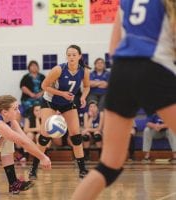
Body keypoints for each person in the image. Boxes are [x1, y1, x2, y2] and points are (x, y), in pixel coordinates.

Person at [72, 1, 176, 199]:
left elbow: (113, 48)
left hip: (121, 73)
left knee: (109, 166)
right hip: (156, 69)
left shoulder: (126, 2)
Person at [28, 44, 90, 180]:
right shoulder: (58, 69)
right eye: (69, 55)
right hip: (50, 101)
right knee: (44, 136)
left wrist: (84, 97)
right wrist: (61, 93)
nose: (71, 57)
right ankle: (33, 169)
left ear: (79, 56)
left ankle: (82, 169)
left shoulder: (84, 71)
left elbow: (86, 86)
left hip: (67, 102)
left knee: (76, 136)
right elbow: (43, 86)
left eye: (74, 55)